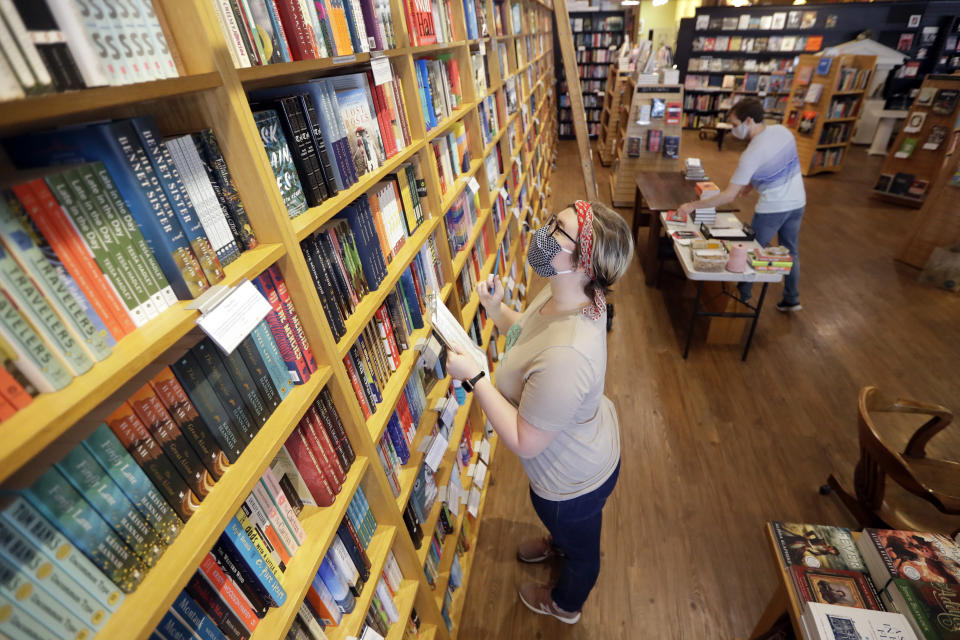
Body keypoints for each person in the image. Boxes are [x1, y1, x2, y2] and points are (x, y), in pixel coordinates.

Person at [444, 200, 633, 624]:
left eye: (558, 231)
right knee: (568, 533)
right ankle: (559, 541)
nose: (541, 232)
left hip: (573, 481)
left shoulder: (570, 353)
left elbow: (526, 441)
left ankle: (566, 605)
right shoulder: (568, 290)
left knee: (584, 553)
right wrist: (496, 310)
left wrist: (476, 379)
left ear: (585, 262)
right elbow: (531, 338)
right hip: (577, 448)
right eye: (551, 220)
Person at [676, 97, 806, 312]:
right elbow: (781, 165)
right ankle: (792, 298)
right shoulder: (783, 132)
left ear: (749, 121)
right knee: (791, 252)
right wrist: (754, 183)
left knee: (749, 253)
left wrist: (693, 205)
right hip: (798, 202)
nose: (733, 130)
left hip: (772, 208)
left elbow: (728, 196)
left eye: (735, 125)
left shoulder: (752, 153)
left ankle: (740, 300)